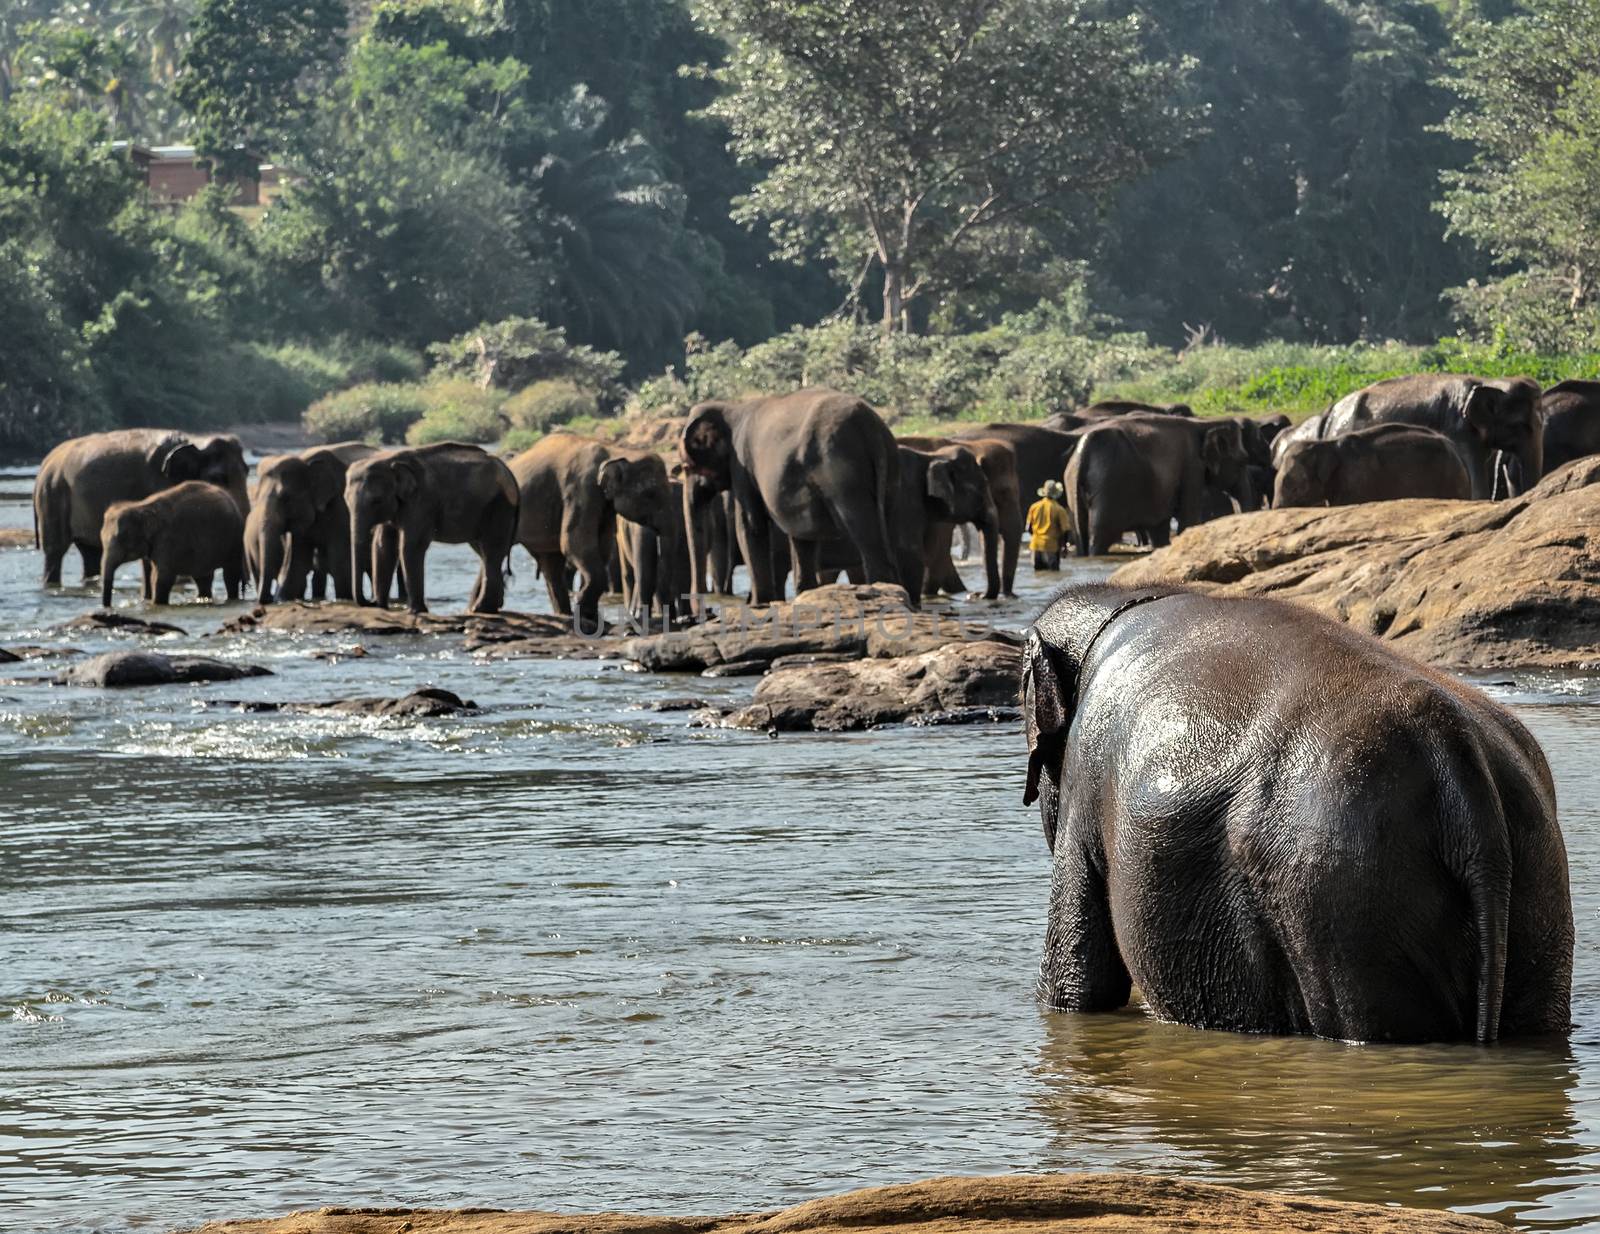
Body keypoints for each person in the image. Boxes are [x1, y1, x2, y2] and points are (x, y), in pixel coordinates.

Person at [1027, 480, 1071, 571]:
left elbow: (1028, 528)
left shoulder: (1034, 507)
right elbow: (1065, 530)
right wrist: (1064, 547)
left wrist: (1037, 538)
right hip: (1052, 548)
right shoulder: (1059, 510)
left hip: (1035, 546)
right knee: (1054, 574)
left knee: (1038, 576)